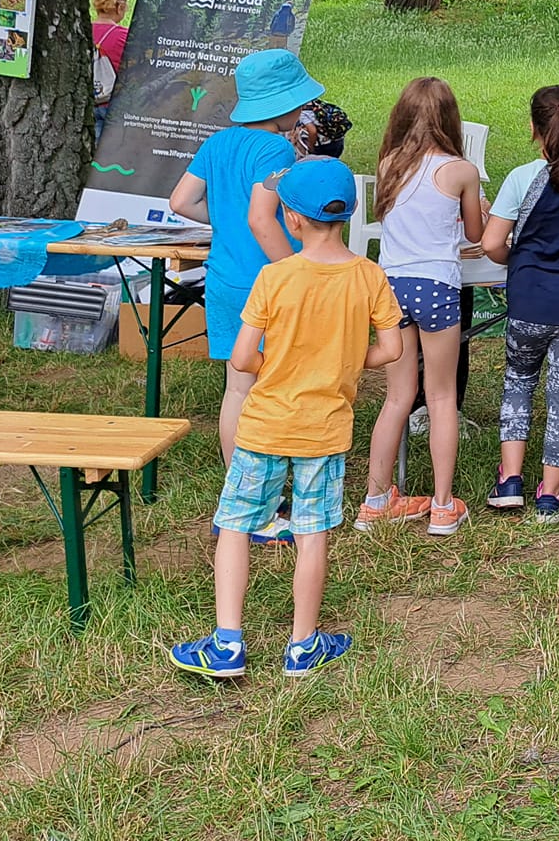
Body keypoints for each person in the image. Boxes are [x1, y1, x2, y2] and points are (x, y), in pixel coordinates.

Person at [169, 156, 406, 679]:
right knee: (312, 532)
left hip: (264, 426)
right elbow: (390, 348)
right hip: (325, 431)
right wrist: (344, 357)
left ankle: (227, 642)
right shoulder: (368, 276)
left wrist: (277, 361)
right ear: (346, 214)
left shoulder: (275, 277)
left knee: (234, 525)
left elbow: (243, 358)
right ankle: (303, 645)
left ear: (291, 219)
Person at [168, 47, 323, 542]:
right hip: (268, 284)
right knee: (275, 391)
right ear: (285, 105)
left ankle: (240, 499)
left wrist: (226, 222)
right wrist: (295, 269)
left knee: (238, 389)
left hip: (223, 278)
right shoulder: (276, 150)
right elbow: (262, 219)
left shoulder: (217, 143)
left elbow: (180, 201)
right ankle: (261, 506)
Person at [355, 78, 486, 537]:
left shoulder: (389, 163)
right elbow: (475, 235)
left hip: (390, 286)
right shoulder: (461, 170)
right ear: (451, 117)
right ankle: (444, 505)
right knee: (443, 396)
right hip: (437, 284)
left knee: (396, 396)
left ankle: (375, 499)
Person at [480, 85, 559, 522]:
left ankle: (510, 479)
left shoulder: (522, 178)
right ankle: (550, 493)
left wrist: (514, 259)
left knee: (519, 382)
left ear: (534, 128)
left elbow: (491, 242)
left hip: (529, 302)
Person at [90, 0, 128, 142]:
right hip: (113, 101)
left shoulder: (81, 30)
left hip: (88, 100)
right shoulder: (124, 35)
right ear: (119, 8)